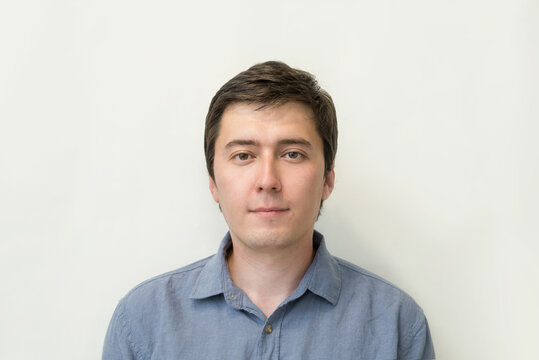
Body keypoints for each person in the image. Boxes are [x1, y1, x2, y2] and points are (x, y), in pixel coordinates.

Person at [102, 61, 435, 359]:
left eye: (292, 154)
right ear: (213, 182)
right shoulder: (142, 323)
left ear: (327, 180)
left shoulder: (397, 327)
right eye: (243, 155)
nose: (267, 181)